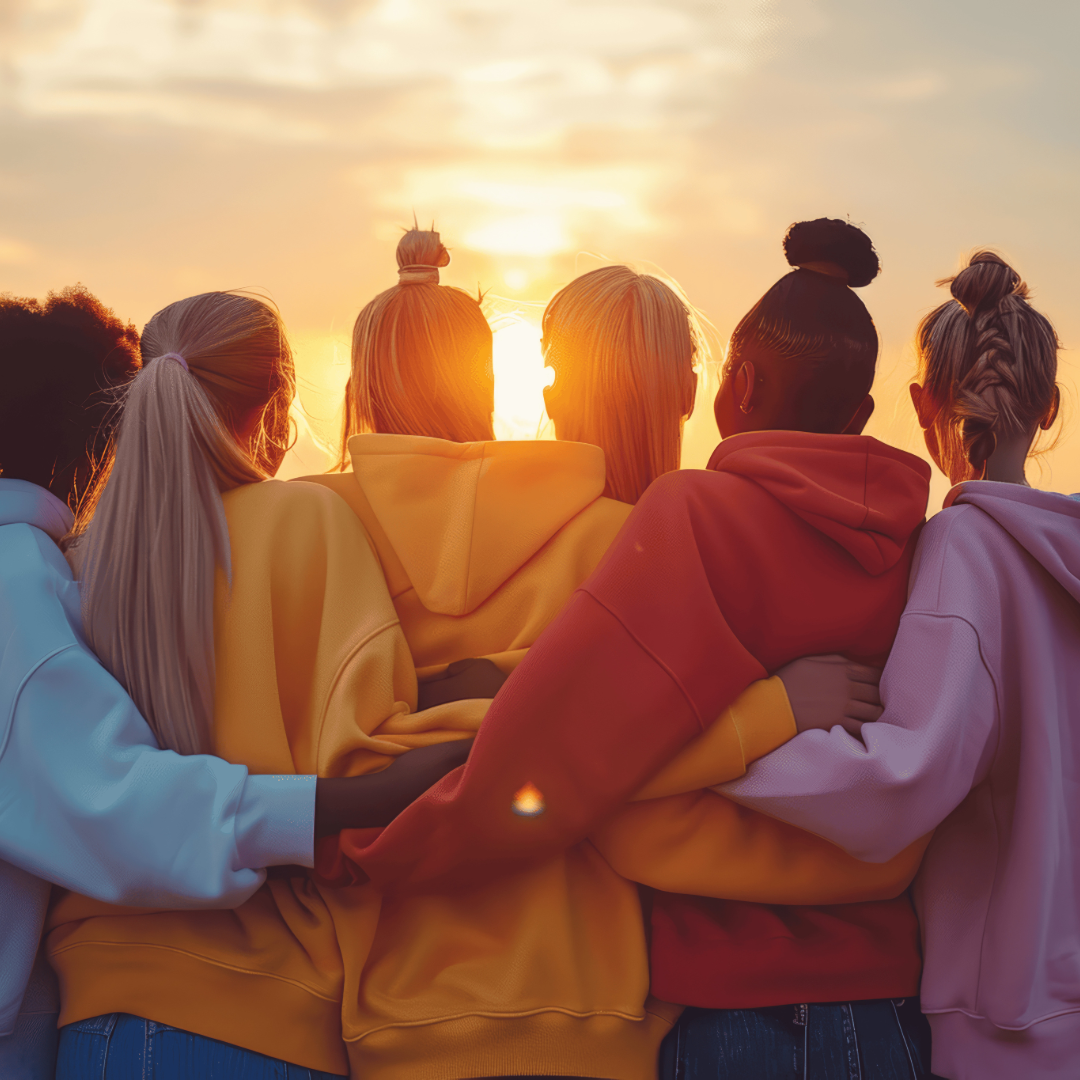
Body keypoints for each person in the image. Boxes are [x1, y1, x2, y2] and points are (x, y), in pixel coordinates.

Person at [331, 219, 941, 1079]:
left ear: (734, 385)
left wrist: (352, 839)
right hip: (888, 985)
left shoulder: (683, 528)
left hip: (711, 995)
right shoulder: (931, 552)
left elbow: (584, 765)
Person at [0, 287, 472, 1079]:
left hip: (91, 1008)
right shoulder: (307, 521)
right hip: (258, 1010)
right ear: (277, 404)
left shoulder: (79, 569)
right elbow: (114, 798)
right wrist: (453, 727)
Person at [717, 251, 1077, 1079]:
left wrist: (719, 743)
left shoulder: (964, 550)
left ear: (922, 405)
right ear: (1052, 405)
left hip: (1005, 1030)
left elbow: (899, 784)